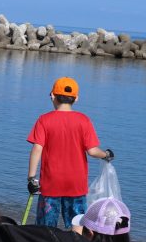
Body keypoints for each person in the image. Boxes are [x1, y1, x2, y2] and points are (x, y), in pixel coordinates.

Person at [25, 76, 113, 229]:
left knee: (46, 228)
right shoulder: (84, 120)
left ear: (52, 95)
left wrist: (31, 178)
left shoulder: (44, 120)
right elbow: (92, 151)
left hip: (51, 183)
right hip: (76, 184)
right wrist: (106, 155)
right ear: (76, 98)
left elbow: (37, 149)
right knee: (77, 223)